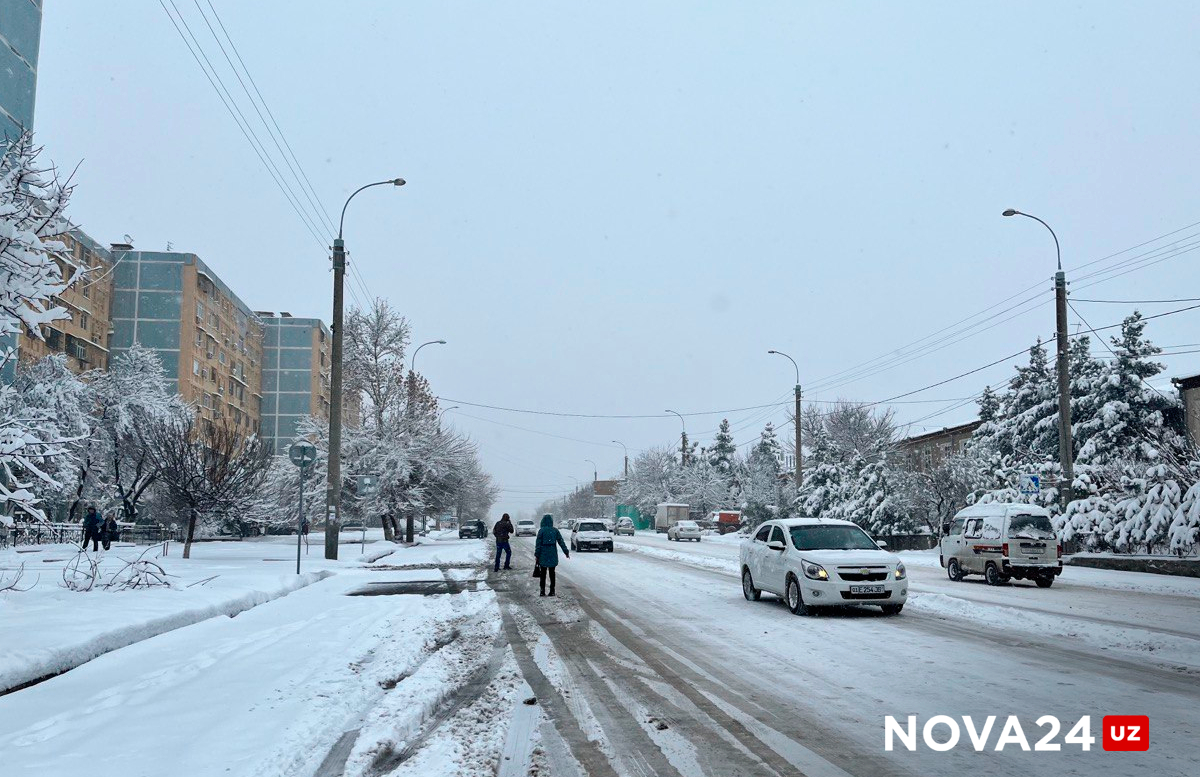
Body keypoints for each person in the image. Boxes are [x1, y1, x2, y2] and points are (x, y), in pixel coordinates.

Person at [534, 514, 569, 597]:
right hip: (552, 552)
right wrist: (566, 551)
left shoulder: (541, 531)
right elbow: (561, 541)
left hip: (543, 553)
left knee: (543, 573)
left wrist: (537, 554)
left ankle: (542, 591)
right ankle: (552, 590)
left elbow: (538, 544)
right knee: (552, 573)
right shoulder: (555, 530)